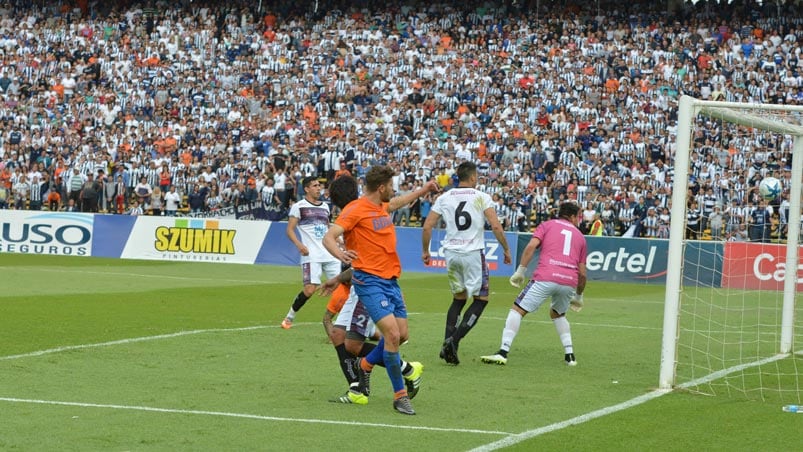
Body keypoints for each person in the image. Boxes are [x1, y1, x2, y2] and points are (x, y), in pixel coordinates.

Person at [322, 165, 439, 415]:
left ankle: (365, 364)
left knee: (401, 335)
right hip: (369, 282)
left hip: (391, 281)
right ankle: (400, 396)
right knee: (393, 337)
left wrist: (424, 189)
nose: (394, 190)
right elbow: (329, 237)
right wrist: (340, 253)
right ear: (381, 187)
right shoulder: (355, 209)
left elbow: (399, 201)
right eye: (391, 185)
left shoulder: (380, 206)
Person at [421, 161, 511, 365]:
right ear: (472, 178)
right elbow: (495, 226)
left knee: (458, 298)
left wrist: (425, 251)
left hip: (451, 253)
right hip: (472, 253)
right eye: (477, 176)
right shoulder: (481, 197)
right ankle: (453, 341)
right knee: (481, 299)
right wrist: (505, 249)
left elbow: (427, 226)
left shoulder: (444, 198)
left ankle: (448, 344)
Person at [481, 202, 587, 366]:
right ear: (572, 216)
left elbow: (531, 246)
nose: (579, 220)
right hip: (569, 281)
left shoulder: (547, 225)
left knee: (517, 310)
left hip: (546, 276)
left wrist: (520, 271)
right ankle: (570, 356)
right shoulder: (580, 237)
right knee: (558, 314)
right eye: (578, 216)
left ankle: (503, 352)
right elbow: (582, 273)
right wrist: (579, 296)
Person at [281, 176, 342, 329]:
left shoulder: (325, 207)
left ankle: (341, 324)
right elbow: (289, 230)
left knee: (340, 288)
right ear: (307, 189)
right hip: (311, 254)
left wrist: (340, 241)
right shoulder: (299, 206)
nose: (318, 188)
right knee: (310, 289)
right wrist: (299, 245)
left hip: (330, 253)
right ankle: (289, 317)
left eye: (319, 185)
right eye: (314, 185)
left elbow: (327, 227)